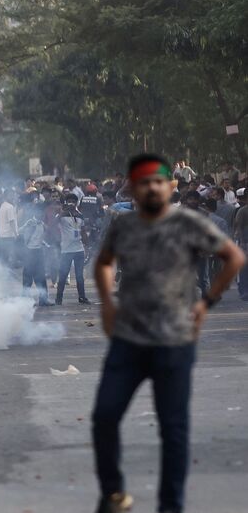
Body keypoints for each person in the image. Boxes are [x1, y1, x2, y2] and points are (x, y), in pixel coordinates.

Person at [91, 154, 245, 513]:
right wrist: (106, 305)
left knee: (173, 428)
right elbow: (103, 263)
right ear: (133, 187)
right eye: (144, 182)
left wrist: (206, 303)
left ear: (169, 186)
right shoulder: (123, 226)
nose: (152, 188)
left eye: (158, 181)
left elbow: (233, 257)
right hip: (128, 339)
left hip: (174, 340)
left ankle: (170, 506)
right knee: (104, 416)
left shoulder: (189, 223)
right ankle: (113, 495)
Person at [55, 194, 90, 305]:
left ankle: (82, 297)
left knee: (79, 275)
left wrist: (87, 246)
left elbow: (83, 232)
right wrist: (62, 212)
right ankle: (58, 298)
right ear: (66, 202)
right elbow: (54, 223)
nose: (71, 203)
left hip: (79, 249)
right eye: (69, 201)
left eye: (73, 201)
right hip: (66, 250)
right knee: (63, 274)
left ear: (76, 203)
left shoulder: (80, 216)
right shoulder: (62, 215)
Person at [20, 201, 52, 306]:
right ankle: (24, 301)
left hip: (39, 252)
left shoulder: (42, 224)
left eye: (43, 213)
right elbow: (19, 231)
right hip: (30, 252)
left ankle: (43, 299)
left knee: (41, 277)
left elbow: (39, 238)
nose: (42, 215)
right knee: (28, 278)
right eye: (40, 212)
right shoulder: (30, 222)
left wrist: (45, 244)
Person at [0, 189, 19, 266]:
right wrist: (16, 234)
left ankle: (3, 275)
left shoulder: (3, 205)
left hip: (3, 236)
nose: (13, 197)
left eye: (13, 195)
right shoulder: (10, 207)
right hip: (9, 236)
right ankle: (8, 275)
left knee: (4, 259)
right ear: (6, 196)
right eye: (11, 195)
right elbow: (12, 222)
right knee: (10, 258)